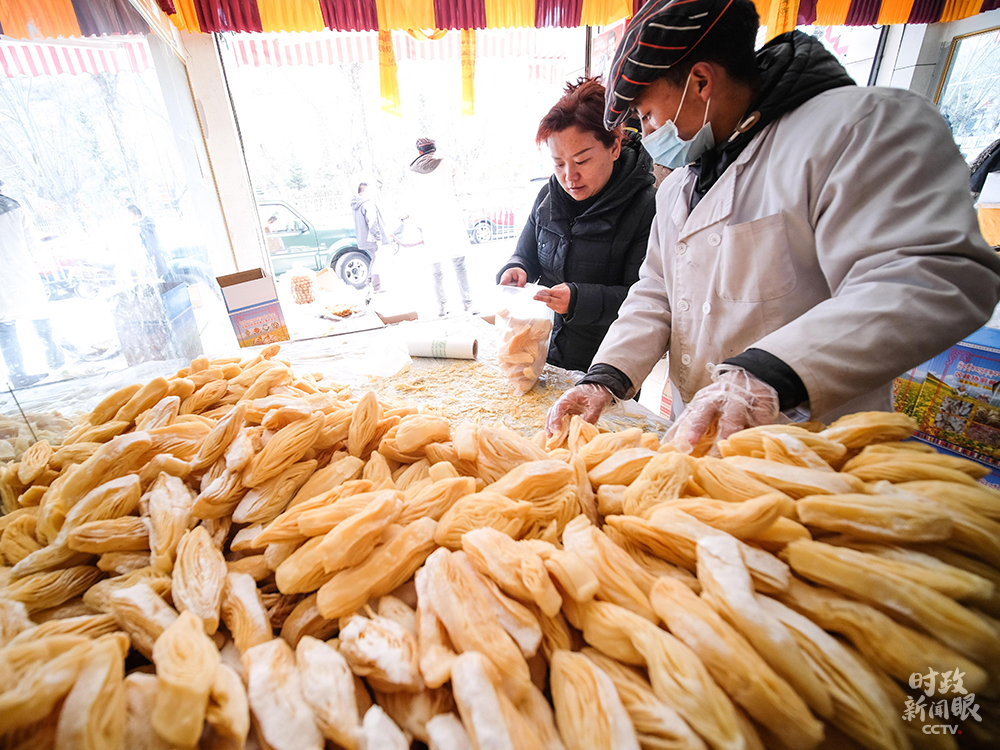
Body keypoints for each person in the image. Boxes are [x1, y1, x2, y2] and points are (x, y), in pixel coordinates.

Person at [546, 0, 1000, 453]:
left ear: (701, 82)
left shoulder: (859, 129)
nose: (647, 135)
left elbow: (929, 275)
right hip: (699, 433)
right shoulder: (680, 184)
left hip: (812, 443)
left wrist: (768, 372)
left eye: (647, 116)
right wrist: (606, 376)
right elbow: (657, 292)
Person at [497, 78, 656, 373]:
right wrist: (516, 268)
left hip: (607, 365)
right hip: (544, 353)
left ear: (614, 147)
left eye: (582, 161)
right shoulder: (548, 197)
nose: (570, 177)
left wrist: (580, 300)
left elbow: (647, 301)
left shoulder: (647, 207)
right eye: (559, 164)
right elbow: (525, 254)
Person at [0, 179, 65, 388]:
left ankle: (18, 374)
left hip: (2, 283)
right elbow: (33, 245)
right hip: (23, 273)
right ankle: (57, 364)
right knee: (41, 319)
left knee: (6, 329)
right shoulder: (14, 207)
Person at [407, 138, 475, 317]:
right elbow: (461, 193)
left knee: (436, 268)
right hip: (451, 219)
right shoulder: (448, 163)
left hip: (430, 222)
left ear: (419, 152)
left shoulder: (413, 172)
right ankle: (468, 304)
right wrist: (463, 211)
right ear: (434, 149)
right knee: (459, 264)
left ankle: (441, 307)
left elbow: (413, 201)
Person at [350, 182, 390, 293]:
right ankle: (375, 285)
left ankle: (370, 281)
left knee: (374, 259)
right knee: (377, 260)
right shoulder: (367, 204)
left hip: (364, 238)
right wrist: (378, 237)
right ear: (364, 191)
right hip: (372, 238)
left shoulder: (356, 205)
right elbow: (372, 222)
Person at [127, 204, 172, 283]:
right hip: (150, 262)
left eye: (129, 214)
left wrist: (134, 225)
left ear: (135, 214)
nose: (128, 218)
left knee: (164, 281)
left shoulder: (146, 221)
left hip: (156, 259)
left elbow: (150, 225)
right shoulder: (137, 228)